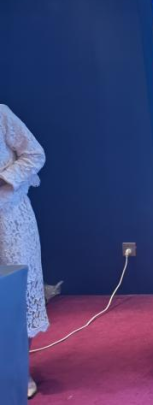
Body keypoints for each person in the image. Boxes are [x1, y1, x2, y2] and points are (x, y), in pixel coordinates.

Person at [0, 104, 48, 399]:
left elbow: (35, 154)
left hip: (11, 218)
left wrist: (4, 179)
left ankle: (19, 371)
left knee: (18, 295)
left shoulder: (1, 114)